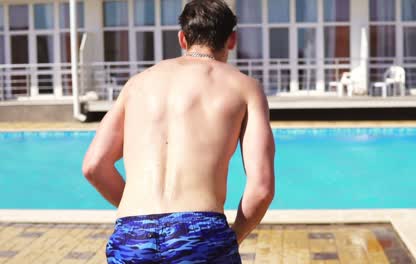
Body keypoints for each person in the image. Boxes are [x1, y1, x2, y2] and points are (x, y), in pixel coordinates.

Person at [82, 0, 275, 262]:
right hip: (201, 232)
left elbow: (94, 166)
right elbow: (261, 188)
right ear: (232, 40)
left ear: (183, 38)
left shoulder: (136, 85)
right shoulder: (245, 88)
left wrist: (139, 217)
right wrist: (232, 237)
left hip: (132, 234)